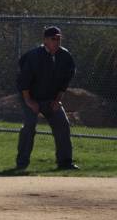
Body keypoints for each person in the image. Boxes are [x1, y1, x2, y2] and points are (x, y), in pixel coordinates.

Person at [15, 26, 79, 170]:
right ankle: (21, 164)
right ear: (45, 40)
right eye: (53, 39)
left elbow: (65, 81)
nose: (56, 41)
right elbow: (23, 81)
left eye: (59, 39)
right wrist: (29, 101)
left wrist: (57, 100)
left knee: (62, 125)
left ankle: (65, 162)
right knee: (29, 126)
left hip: (50, 99)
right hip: (31, 98)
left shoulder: (65, 56)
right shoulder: (33, 56)